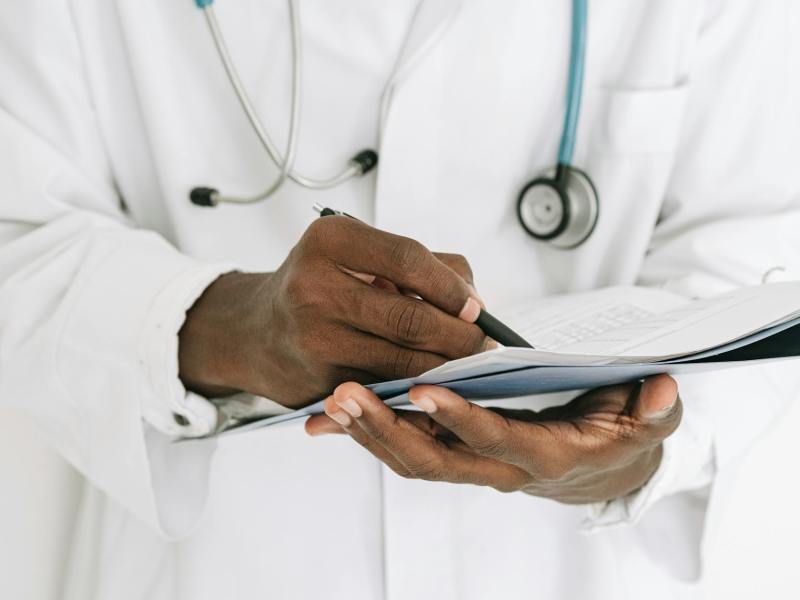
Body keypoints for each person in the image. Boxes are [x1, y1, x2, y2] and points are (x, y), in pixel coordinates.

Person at [1, 1, 799, 599]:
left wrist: (644, 455)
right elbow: (16, 233)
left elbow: (764, 232)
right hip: (229, 563)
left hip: (565, 568)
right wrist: (219, 322)